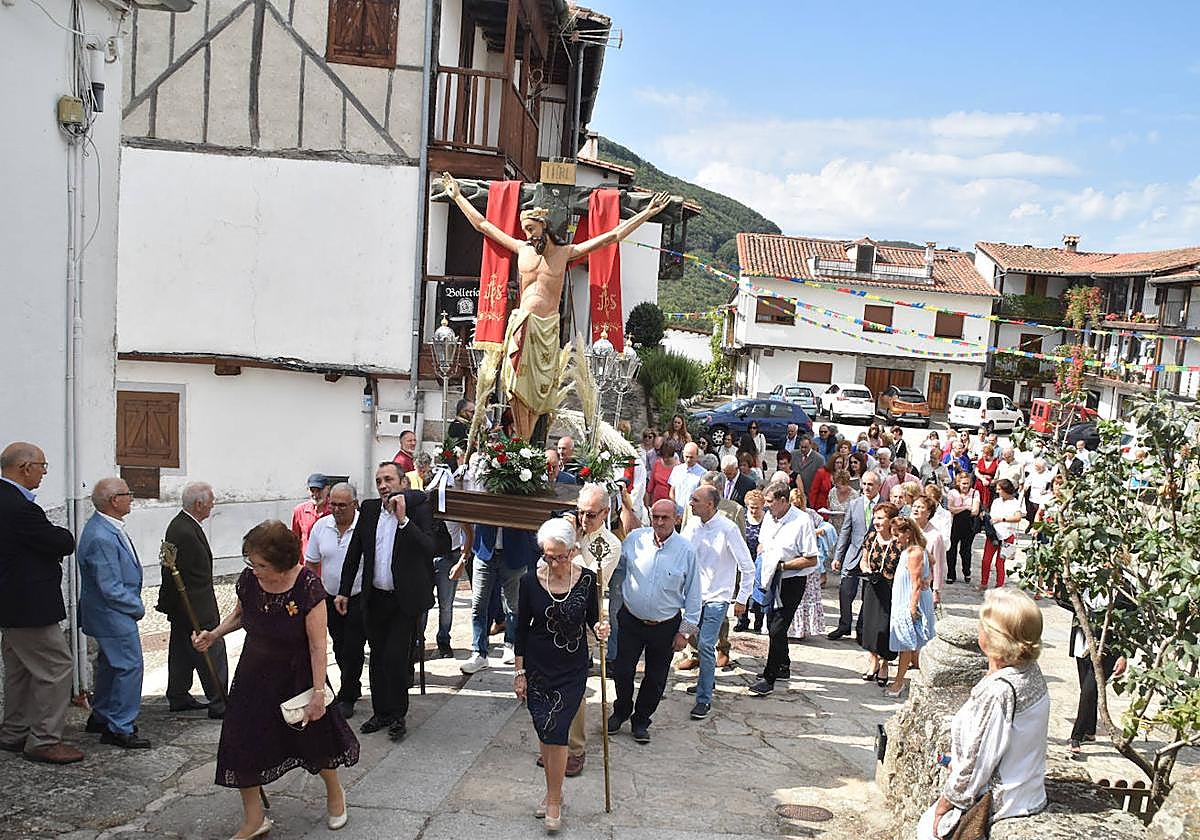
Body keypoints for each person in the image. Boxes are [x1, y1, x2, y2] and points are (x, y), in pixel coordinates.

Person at [195, 521, 359, 839]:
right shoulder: (249, 580)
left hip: (297, 675)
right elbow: (241, 614)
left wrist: (317, 694)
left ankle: (335, 793)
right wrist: (213, 635)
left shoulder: (308, 586)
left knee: (315, 741)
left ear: (282, 561)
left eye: (261, 564)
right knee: (240, 743)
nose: (253, 570)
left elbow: (317, 645)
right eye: (251, 562)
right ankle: (255, 820)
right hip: (253, 674)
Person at [916, 589, 1049, 840]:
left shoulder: (999, 692)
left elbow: (977, 762)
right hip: (1029, 792)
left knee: (926, 830)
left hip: (1002, 801)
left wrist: (945, 804)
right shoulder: (1029, 672)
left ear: (992, 638)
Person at [514, 518, 608, 832]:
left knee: (559, 730)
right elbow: (521, 630)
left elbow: (594, 620)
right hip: (539, 668)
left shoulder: (588, 581)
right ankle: (554, 791)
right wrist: (519, 671)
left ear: (572, 549)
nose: (554, 562)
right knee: (545, 731)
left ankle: (554, 800)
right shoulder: (529, 582)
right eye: (548, 556)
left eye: (561, 556)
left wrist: (600, 628)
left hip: (571, 668)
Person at [336, 462, 435, 741]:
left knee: (395, 657)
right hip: (375, 597)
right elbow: (354, 552)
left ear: (403, 483)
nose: (383, 485)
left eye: (388, 479)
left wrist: (404, 521)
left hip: (403, 600)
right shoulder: (368, 510)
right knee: (377, 657)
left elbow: (429, 548)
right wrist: (344, 590)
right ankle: (380, 712)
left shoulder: (418, 510)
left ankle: (397, 714)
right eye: (379, 480)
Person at [0, 442, 84, 764]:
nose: (43, 474)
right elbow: (62, 542)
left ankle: (14, 731)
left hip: (10, 603)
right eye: (42, 467)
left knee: (19, 669)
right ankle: (45, 739)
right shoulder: (22, 508)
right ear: (25, 468)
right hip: (29, 605)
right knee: (57, 667)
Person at [608, 500, 700, 744]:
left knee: (656, 677)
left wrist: (685, 632)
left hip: (665, 625)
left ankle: (641, 720)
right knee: (623, 670)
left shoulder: (687, 551)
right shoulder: (635, 540)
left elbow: (693, 594)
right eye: (655, 517)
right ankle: (621, 710)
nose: (659, 522)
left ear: (676, 519)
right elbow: (614, 566)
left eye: (665, 518)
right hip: (631, 620)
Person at [77, 478, 150, 749]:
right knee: (129, 666)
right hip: (113, 613)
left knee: (110, 665)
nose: (131, 496)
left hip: (108, 612)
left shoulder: (106, 527)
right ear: (113, 501)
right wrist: (136, 606)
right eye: (126, 493)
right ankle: (120, 726)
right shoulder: (101, 535)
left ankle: (102, 715)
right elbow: (111, 588)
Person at [680, 486, 754, 719]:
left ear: (710, 505)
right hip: (693, 598)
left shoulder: (728, 529)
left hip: (717, 598)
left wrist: (742, 598)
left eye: (695, 500)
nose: (690, 504)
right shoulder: (692, 526)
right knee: (692, 639)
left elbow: (748, 567)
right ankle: (706, 680)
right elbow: (680, 554)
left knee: (706, 644)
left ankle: (704, 699)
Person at [160, 481, 228, 719]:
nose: (213, 506)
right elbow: (175, 573)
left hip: (184, 606)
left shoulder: (182, 525)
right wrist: (184, 609)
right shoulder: (185, 530)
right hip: (195, 607)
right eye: (211, 502)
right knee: (211, 648)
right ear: (199, 504)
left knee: (180, 650)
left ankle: (178, 694)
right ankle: (219, 701)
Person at [748, 483, 818, 696]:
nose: (766, 506)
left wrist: (783, 566)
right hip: (769, 578)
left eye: (770, 502)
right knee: (771, 622)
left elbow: (811, 559)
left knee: (777, 628)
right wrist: (763, 557)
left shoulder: (802, 521)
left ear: (783, 500)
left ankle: (769, 678)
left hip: (791, 581)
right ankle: (783, 665)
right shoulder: (769, 517)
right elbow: (762, 542)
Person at [305, 482, 366, 719]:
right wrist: (314, 591)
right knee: (339, 645)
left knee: (353, 646)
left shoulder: (364, 525)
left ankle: (348, 693)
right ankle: (352, 684)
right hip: (329, 597)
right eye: (333, 505)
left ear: (354, 504)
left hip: (358, 596)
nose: (337, 510)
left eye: (343, 505)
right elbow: (311, 562)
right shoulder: (321, 526)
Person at [828, 470, 882, 641]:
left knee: (868, 594)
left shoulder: (884, 506)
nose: (866, 487)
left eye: (870, 484)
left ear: (878, 486)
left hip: (873, 558)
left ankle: (862, 628)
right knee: (845, 590)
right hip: (853, 555)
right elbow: (846, 531)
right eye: (864, 484)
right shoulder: (855, 504)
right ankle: (844, 625)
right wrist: (838, 556)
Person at [885, 517, 935, 697]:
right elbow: (932, 562)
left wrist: (912, 609)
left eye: (897, 534)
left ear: (907, 533)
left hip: (909, 601)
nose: (895, 539)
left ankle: (898, 683)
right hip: (906, 599)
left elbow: (915, 585)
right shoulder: (915, 550)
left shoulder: (914, 552)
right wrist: (928, 579)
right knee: (912, 644)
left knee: (906, 643)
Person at [858, 503, 901, 687]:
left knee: (885, 627)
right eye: (875, 518)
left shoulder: (899, 541)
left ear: (891, 520)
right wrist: (866, 569)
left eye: (881, 518)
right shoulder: (871, 537)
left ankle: (884, 663)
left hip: (891, 588)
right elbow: (864, 560)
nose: (876, 522)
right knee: (870, 626)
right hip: (872, 586)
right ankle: (873, 660)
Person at [786, 487, 830, 641]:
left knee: (806, 596)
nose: (798, 507)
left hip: (808, 562)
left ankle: (803, 629)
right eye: (795, 505)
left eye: (800, 505)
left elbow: (826, 526)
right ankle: (792, 629)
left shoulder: (810, 514)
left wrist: (817, 532)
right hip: (793, 559)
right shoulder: (788, 516)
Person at [980, 479, 1021, 592]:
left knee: (1000, 563)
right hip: (993, 534)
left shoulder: (1015, 503)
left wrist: (1002, 519)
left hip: (1007, 535)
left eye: (999, 489)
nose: (997, 491)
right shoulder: (997, 501)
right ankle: (983, 583)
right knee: (986, 560)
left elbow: (1018, 517)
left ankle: (999, 585)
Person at [911, 497, 948, 608]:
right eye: (914, 506)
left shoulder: (935, 536)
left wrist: (936, 590)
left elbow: (938, 566)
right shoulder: (907, 530)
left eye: (921, 507)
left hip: (924, 583)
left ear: (928, 513)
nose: (916, 509)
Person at [740, 489, 768, 634]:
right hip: (745, 558)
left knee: (759, 590)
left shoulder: (768, 518)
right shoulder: (743, 518)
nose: (753, 510)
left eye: (757, 507)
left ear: (763, 505)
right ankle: (742, 620)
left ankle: (758, 619)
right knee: (743, 588)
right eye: (751, 507)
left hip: (761, 559)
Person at [946, 471, 980, 585]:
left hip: (968, 525)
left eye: (967, 483)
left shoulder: (975, 493)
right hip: (954, 524)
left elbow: (975, 511)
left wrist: (959, 508)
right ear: (958, 483)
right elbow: (950, 508)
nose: (965, 486)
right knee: (951, 550)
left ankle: (967, 572)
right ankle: (951, 574)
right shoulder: (952, 493)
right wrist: (966, 507)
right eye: (963, 483)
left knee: (966, 550)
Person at [292, 473, 330, 562]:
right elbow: (295, 540)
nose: (316, 495)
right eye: (312, 490)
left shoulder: (335, 510)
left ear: (327, 489)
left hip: (328, 564)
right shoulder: (299, 510)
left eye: (319, 490)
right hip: (306, 564)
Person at [668, 442, 706, 515]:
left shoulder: (703, 473)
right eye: (686, 456)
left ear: (697, 456)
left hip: (692, 515)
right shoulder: (677, 470)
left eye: (691, 457)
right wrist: (674, 509)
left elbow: (702, 497)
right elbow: (672, 491)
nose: (688, 460)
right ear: (683, 454)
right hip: (676, 513)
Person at [826, 469, 859, 535]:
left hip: (847, 531)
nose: (837, 488)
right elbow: (829, 506)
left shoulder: (855, 496)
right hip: (833, 529)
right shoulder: (832, 491)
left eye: (839, 487)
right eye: (836, 486)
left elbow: (857, 516)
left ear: (847, 484)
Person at [646, 443, 678, 509]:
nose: (665, 459)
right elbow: (651, 484)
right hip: (656, 500)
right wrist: (647, 504)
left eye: (668, 457)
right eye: (663, 457)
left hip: (670, 502)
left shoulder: (678, 467)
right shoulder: (657, 463)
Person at [974, 443, 1001, 511]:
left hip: (989, 485)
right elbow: (976, 472)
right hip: (980, 483)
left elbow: (997, 475)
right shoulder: (981, 460)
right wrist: (982, 479)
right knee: (978, 501)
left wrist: (992, 482)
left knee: (988, 504)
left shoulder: (997, 462)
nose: (983, 455)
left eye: (985, 453)